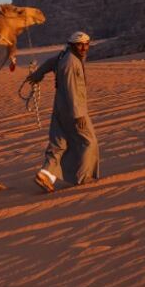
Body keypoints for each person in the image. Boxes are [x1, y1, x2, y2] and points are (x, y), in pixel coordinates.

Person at [25, 31, 100, 192]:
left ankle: (46, 174)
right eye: (80, 45)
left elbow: (49, 63)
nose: (84, 48)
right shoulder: (72, 62)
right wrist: (78, 114)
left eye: (86, 44)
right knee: (89, 142)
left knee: (59, 143)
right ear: (73, 45)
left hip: (60, 107)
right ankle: (84, 178)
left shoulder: (63, 56)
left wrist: (38, 74)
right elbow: (72, 89)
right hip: (73, 109)